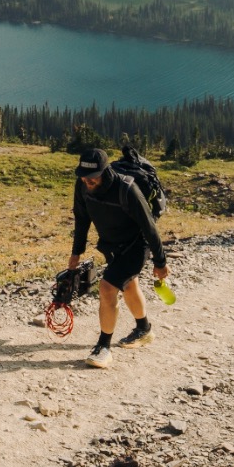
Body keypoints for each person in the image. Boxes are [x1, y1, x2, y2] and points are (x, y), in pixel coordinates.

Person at [66, 147, 169, 370]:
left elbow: (149, 228)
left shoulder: (127, 189)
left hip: (135, 245)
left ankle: (103, 347)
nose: (87, 180)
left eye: (92, 177)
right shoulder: (82, 185)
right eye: (83, 175)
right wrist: (76, 252)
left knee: (107, 287)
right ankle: (144, 329)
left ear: (105, 172)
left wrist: (160, 262)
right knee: (129, 286)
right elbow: (81, 219)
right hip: (110, 245)